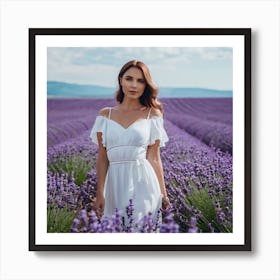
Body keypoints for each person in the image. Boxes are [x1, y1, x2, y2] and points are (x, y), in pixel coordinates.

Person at [90, 60, 171, 229]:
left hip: (144, 182)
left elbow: (154, 158)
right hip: (114, 183)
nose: (134, 85)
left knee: (141, 231)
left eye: (140, 81)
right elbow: (103, 157)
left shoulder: (152, 114)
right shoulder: (105, 115)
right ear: (121, 80)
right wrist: (100, 193)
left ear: (146, 85)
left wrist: (163, 194)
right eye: (129, 78)